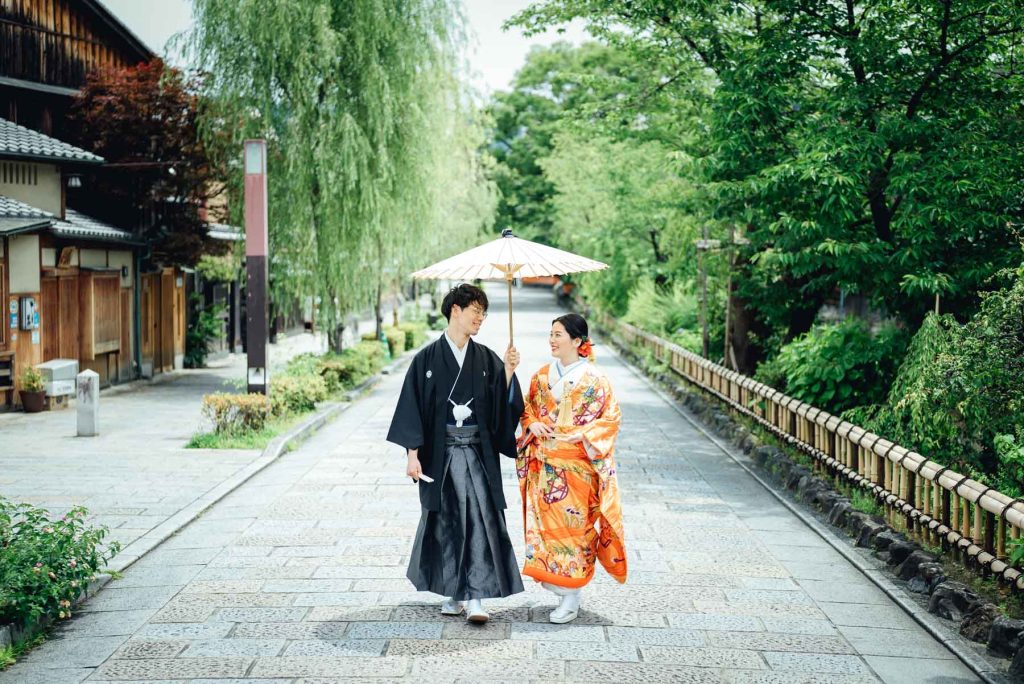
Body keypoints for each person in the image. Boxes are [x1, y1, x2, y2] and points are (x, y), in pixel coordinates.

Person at [387, 283, 525, 623]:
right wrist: (412, 454)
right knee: (447, 523)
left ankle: (476, 597)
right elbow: (413, 408)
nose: (480, 318)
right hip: (442, 455)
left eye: (483, 313)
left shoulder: (487, 359)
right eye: (475, 311)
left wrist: (507, 374)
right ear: (455, 311)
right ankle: (454, 590)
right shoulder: (426, 360)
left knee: (480, 522)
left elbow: (501, 410)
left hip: (477, 455)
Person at [517, 313, 626, 623]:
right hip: (545, 468)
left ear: (578, 341)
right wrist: (534, 423)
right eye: (550, 333)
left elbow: (611, 419)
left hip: (578, 468)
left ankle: (572, 596)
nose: (552, 339)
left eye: (558, 334)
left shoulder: (596, 380)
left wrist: (584, 434)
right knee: (548, 533)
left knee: (574, 531)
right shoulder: (540, 377)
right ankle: (561, 587)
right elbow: (527, 410)